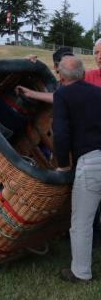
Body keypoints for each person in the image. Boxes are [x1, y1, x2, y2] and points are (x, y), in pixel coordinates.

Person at [53, 56, 101, 283]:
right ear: (82, 74)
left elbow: (61, 134)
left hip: (90, 162)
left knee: (81, 222)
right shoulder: (97, 92)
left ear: (61, 77)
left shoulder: (62, 95)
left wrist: (63, 165)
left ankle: (81, 273)